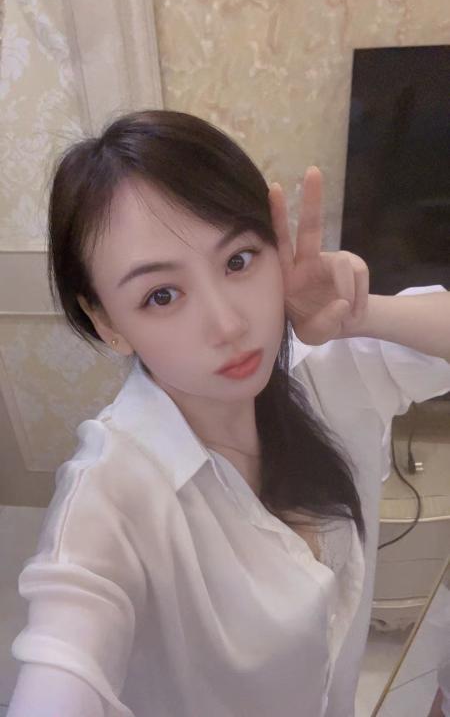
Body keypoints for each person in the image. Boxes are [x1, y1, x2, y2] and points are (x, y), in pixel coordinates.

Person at [6, 110, 450, 717]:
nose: (229, 324)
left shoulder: (323, 370)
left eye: (239, 261)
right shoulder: (110, 501)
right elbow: (64, 655)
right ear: (107, 321)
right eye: (162, 295)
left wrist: (362, 314)